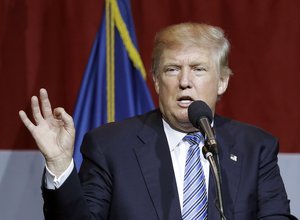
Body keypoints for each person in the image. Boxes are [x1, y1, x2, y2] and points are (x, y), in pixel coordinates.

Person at [19, 23, 296, 219]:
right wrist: (59, 164)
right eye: (172, 69)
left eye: (198, 69)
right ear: (156, 80)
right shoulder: (110, 146)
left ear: (222, 81)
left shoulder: (255, 147)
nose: (185, 82)